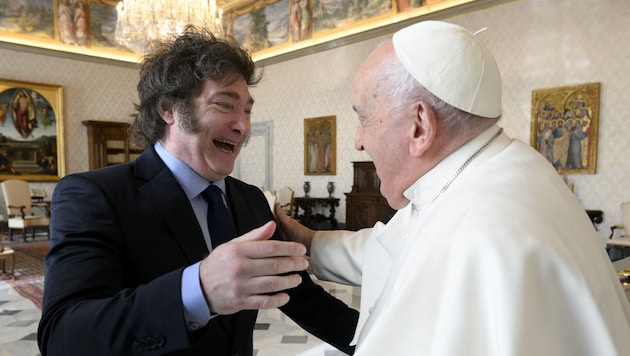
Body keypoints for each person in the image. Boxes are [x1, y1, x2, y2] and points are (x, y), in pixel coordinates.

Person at [275, 20, 630, 355]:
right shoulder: (498, 169)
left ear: (419, 127)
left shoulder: (478, 226)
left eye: (363, 117)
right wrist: (306, 241)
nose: (358, 141)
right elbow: (395, 249)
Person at [38, 26, 358, 355]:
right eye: (224, 105)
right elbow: (63, 336)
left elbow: (302, 297)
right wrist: (198, 291)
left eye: (247, 110)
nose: (243, 126)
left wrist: (381, 341)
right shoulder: (93, 196)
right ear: (168, 109)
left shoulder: (250, 200)